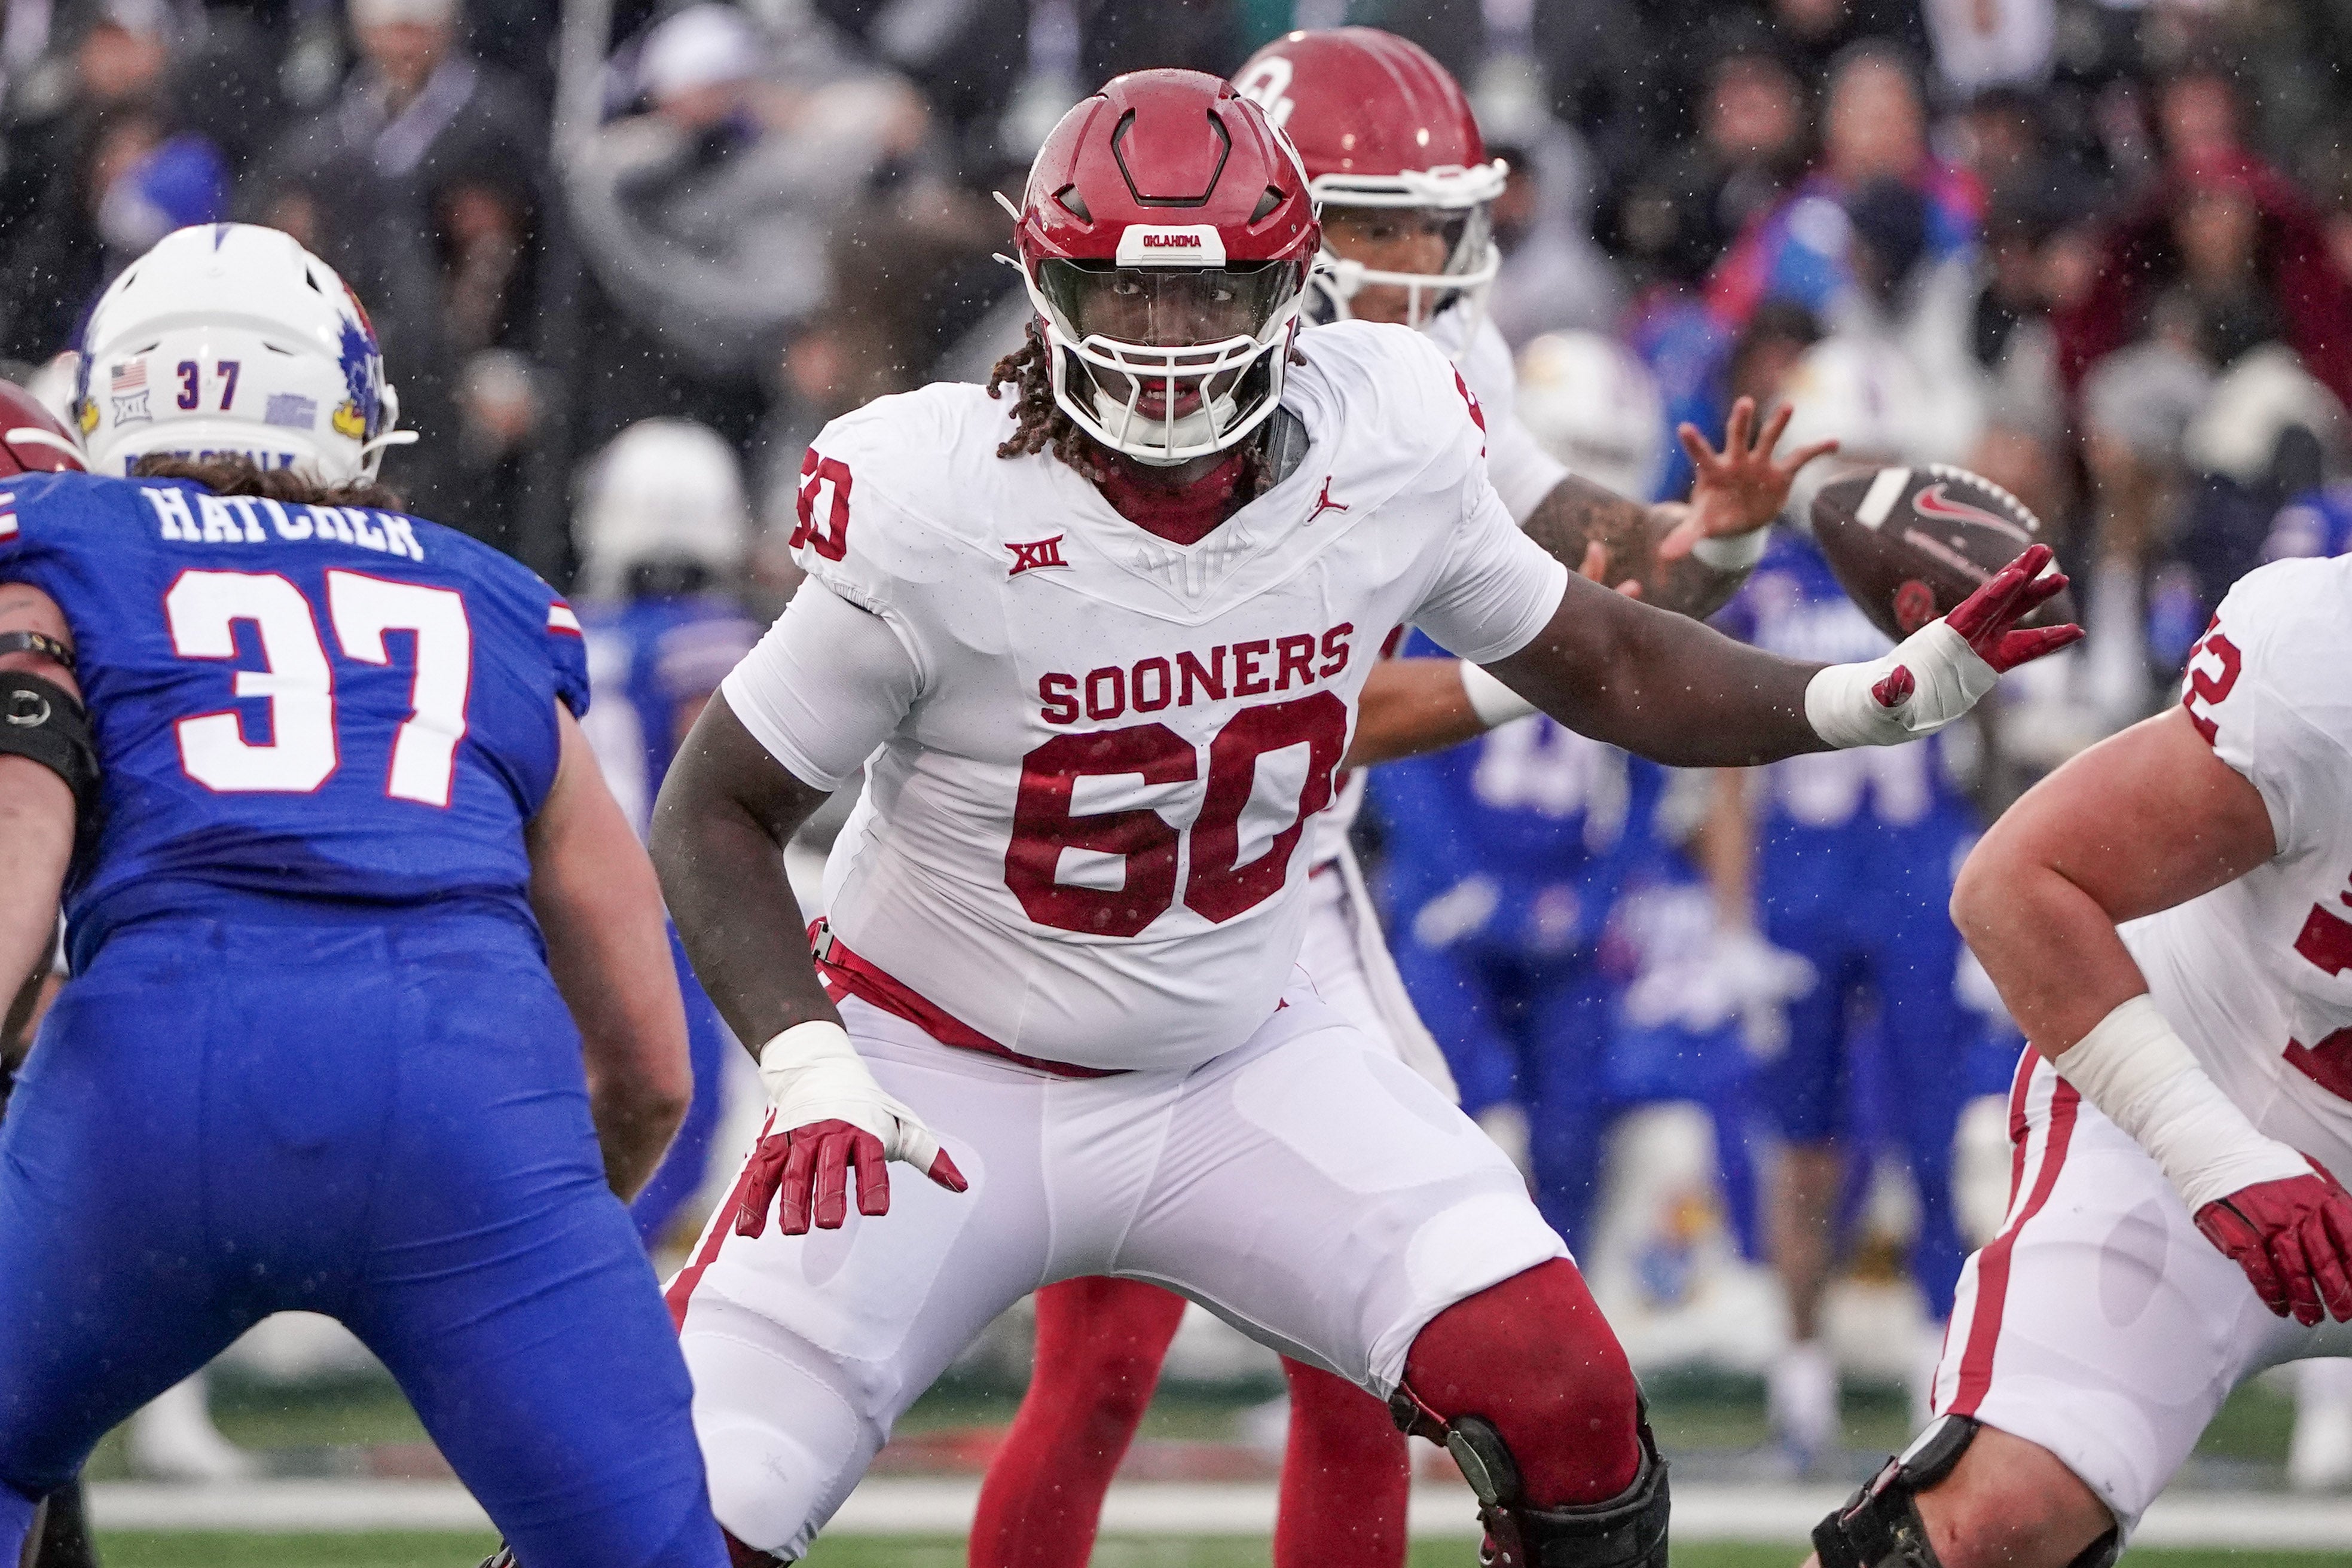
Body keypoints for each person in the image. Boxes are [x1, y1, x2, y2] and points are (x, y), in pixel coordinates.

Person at [649, 69, 2075, 1568]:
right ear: (1047, 284)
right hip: (937, 1070)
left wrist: (1860, 697)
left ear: (1289, 285)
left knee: (1571, 1408)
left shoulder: (1380, 431)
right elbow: (715, 804)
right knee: (666, 1519)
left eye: (1208, 297)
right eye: (1126, 293)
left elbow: (1605, 652)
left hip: (1238, 1048)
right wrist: (807, 1063)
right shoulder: (933, 497)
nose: (1165, 342)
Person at [970, 33, 1828, 1568]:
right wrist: (1513, 684)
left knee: (1372, 1343)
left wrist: (1709, 539)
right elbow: (1258, 710)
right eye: (1380, 223)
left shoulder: (1432, 363)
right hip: (1098, 882)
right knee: (1097, 1360)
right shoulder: (1148, 390)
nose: (1424, 263)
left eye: (1437, 225)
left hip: (1283, 871)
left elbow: (1593, 557)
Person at [0, 223, 728, 1568]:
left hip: (155, 1077)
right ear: (345, 406)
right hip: (468, 1095)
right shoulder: (488, 594)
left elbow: (16, 852)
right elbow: (648, 1064)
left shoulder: (58, 542)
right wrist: (527, 1232)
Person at [1806, 548, 2352, 1568]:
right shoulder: (2327, 667)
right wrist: (2212, 1152)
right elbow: (2020, 885)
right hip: (2220, 1086)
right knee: (1990, 1522)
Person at [572, 418, 765, 1249]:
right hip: (664, 907)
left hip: (559, 902)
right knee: (677, 1110)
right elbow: (737, 780)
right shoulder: (709, 638)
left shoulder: (572, 628)